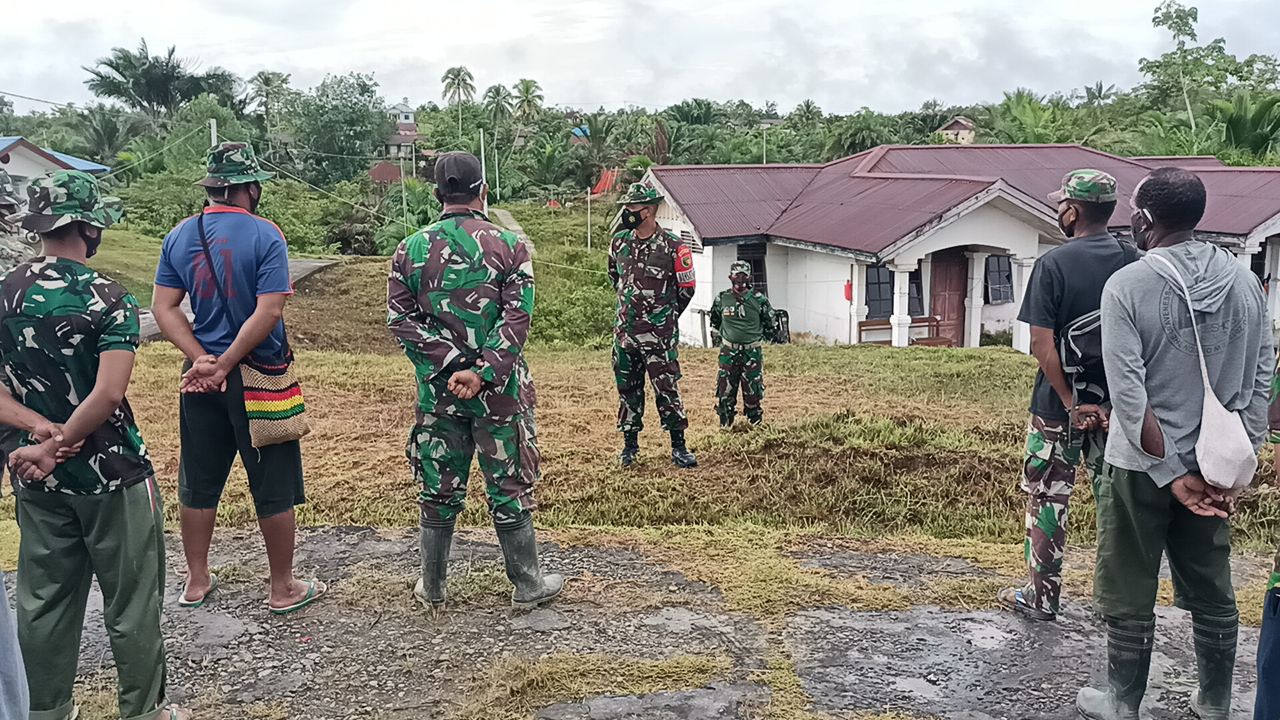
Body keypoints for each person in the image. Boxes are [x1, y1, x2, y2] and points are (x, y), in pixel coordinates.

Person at [1077, 167, 1272, 720]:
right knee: (1212, 580)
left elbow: (1128, 391)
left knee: (1129, 578)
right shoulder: (1244, 281)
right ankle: (1214, 702)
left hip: (1141, 464)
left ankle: (1122, 701)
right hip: (1215, 465)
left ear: (1145, 219)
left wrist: (1168, 472)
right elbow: (1262, 376)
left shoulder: (1128, 285)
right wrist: (1235, 464)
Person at [0, 170, 186, 720]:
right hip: (113, 474)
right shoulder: (109, 297)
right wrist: (65, 440)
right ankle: (144, 712)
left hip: (36, 476)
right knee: (132, 602)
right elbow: (108, 394)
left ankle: (45, 710)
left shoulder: (3, 294)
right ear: (89, 227)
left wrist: (41, 435)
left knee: (43, 601)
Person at [152, 142, 325, 615]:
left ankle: (195, 579)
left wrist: (201, 360)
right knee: (273, 481)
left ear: (212, 188)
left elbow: (163, 309)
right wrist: (226, 362)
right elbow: (269, 310)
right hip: (258, 377)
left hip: (199, 380)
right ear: (249, 188)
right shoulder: (266, 234)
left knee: (199, 478)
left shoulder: (179, 235)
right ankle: (283, 587)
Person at [387, 151, 562, 611]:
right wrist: (482, 372)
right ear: (483, 191)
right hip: (500, 394)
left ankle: (434, 587)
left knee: (437, 485)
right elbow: (517, 317)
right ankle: (527, 586)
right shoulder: (510, 245)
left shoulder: (409, 249)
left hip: (439, 394)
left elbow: (400, 320)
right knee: (508, 483)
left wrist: (450, 366)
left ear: (438, 194)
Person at [998, 169, 1137, 622]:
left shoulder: (1053, 264)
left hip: (1057, 411)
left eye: (1062, 204)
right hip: (1120, 407)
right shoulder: (1133, 259)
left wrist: (1071, 402)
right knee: (1115, 502)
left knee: (1048, 498)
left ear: (1072, 211)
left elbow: (1042, 345)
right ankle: (1115, 605)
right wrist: (1110, 404)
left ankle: (1042, 598)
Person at [609, 182, 697, 468]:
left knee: (667, 390)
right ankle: (629, 447)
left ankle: (679, 447)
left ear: (648, 211)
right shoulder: (619, 242)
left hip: (659, 337)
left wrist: (664, 317)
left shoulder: (673, 246)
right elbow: (616, 279)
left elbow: (687, 289)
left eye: (632, 208)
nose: (627, 212)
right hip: (626, 335)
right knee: (628, 391)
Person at [710, 260, 776, 428]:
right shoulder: (722, 298)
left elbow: (770, 324)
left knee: (753, 393)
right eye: (736, 276)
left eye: (743, 276)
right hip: (728, 353)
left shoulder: (759, 300)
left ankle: (755, 429)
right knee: (725, 393)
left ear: (749, 277)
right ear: (730, 277)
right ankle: (725, 427)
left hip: (751, 354)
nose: (739, 280)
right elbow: (715, 321)